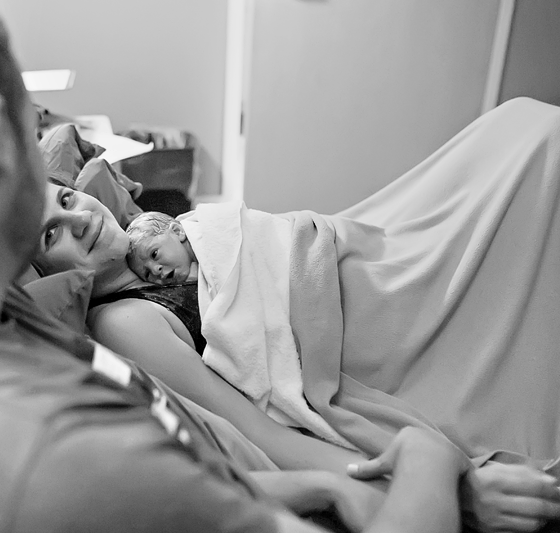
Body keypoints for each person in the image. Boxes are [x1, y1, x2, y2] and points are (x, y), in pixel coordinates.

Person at [0, 1, 480, 532]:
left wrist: (320, 484)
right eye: (34, 129)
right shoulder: (57, 456)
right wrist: (429, 457)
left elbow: (188, 468)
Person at [34, 98, 560, 531]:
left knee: (519, 132)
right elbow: (264, 436)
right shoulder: (123, 322)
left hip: (350, 252)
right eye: (49, 233)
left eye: (65, 198)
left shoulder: (156, 232)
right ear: (39, 267)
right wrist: (461, 486)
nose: (76, 219)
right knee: (541, 157)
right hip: (358, 322)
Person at [126, 210, 198, 285]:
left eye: (154, 254)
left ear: (177, 231)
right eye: (147, 274)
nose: (155, 270)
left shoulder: (205, 231)